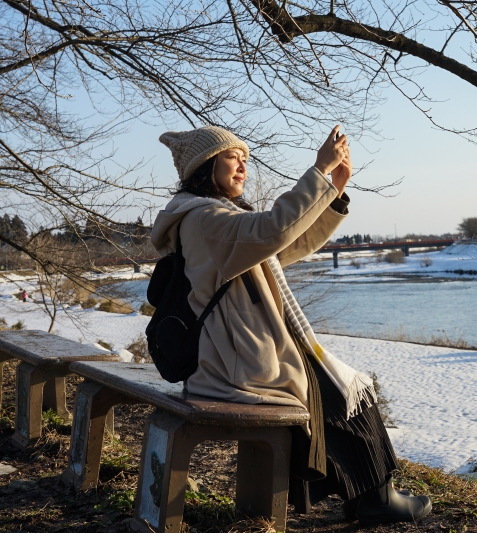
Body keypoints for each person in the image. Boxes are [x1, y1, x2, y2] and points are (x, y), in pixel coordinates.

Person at [151, 125, 431, 523]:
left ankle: (366, 495)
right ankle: (376, 499)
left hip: (238, 349)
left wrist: (332, 193)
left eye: (245, 158)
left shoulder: (211, 216)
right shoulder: (205, 218)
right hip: (237, 360)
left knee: (339, 387)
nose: (242, 165)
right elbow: (272, 229)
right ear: (204, 165)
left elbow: (281, 244)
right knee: (340, 392)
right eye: (233, 157)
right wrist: (318, 172)